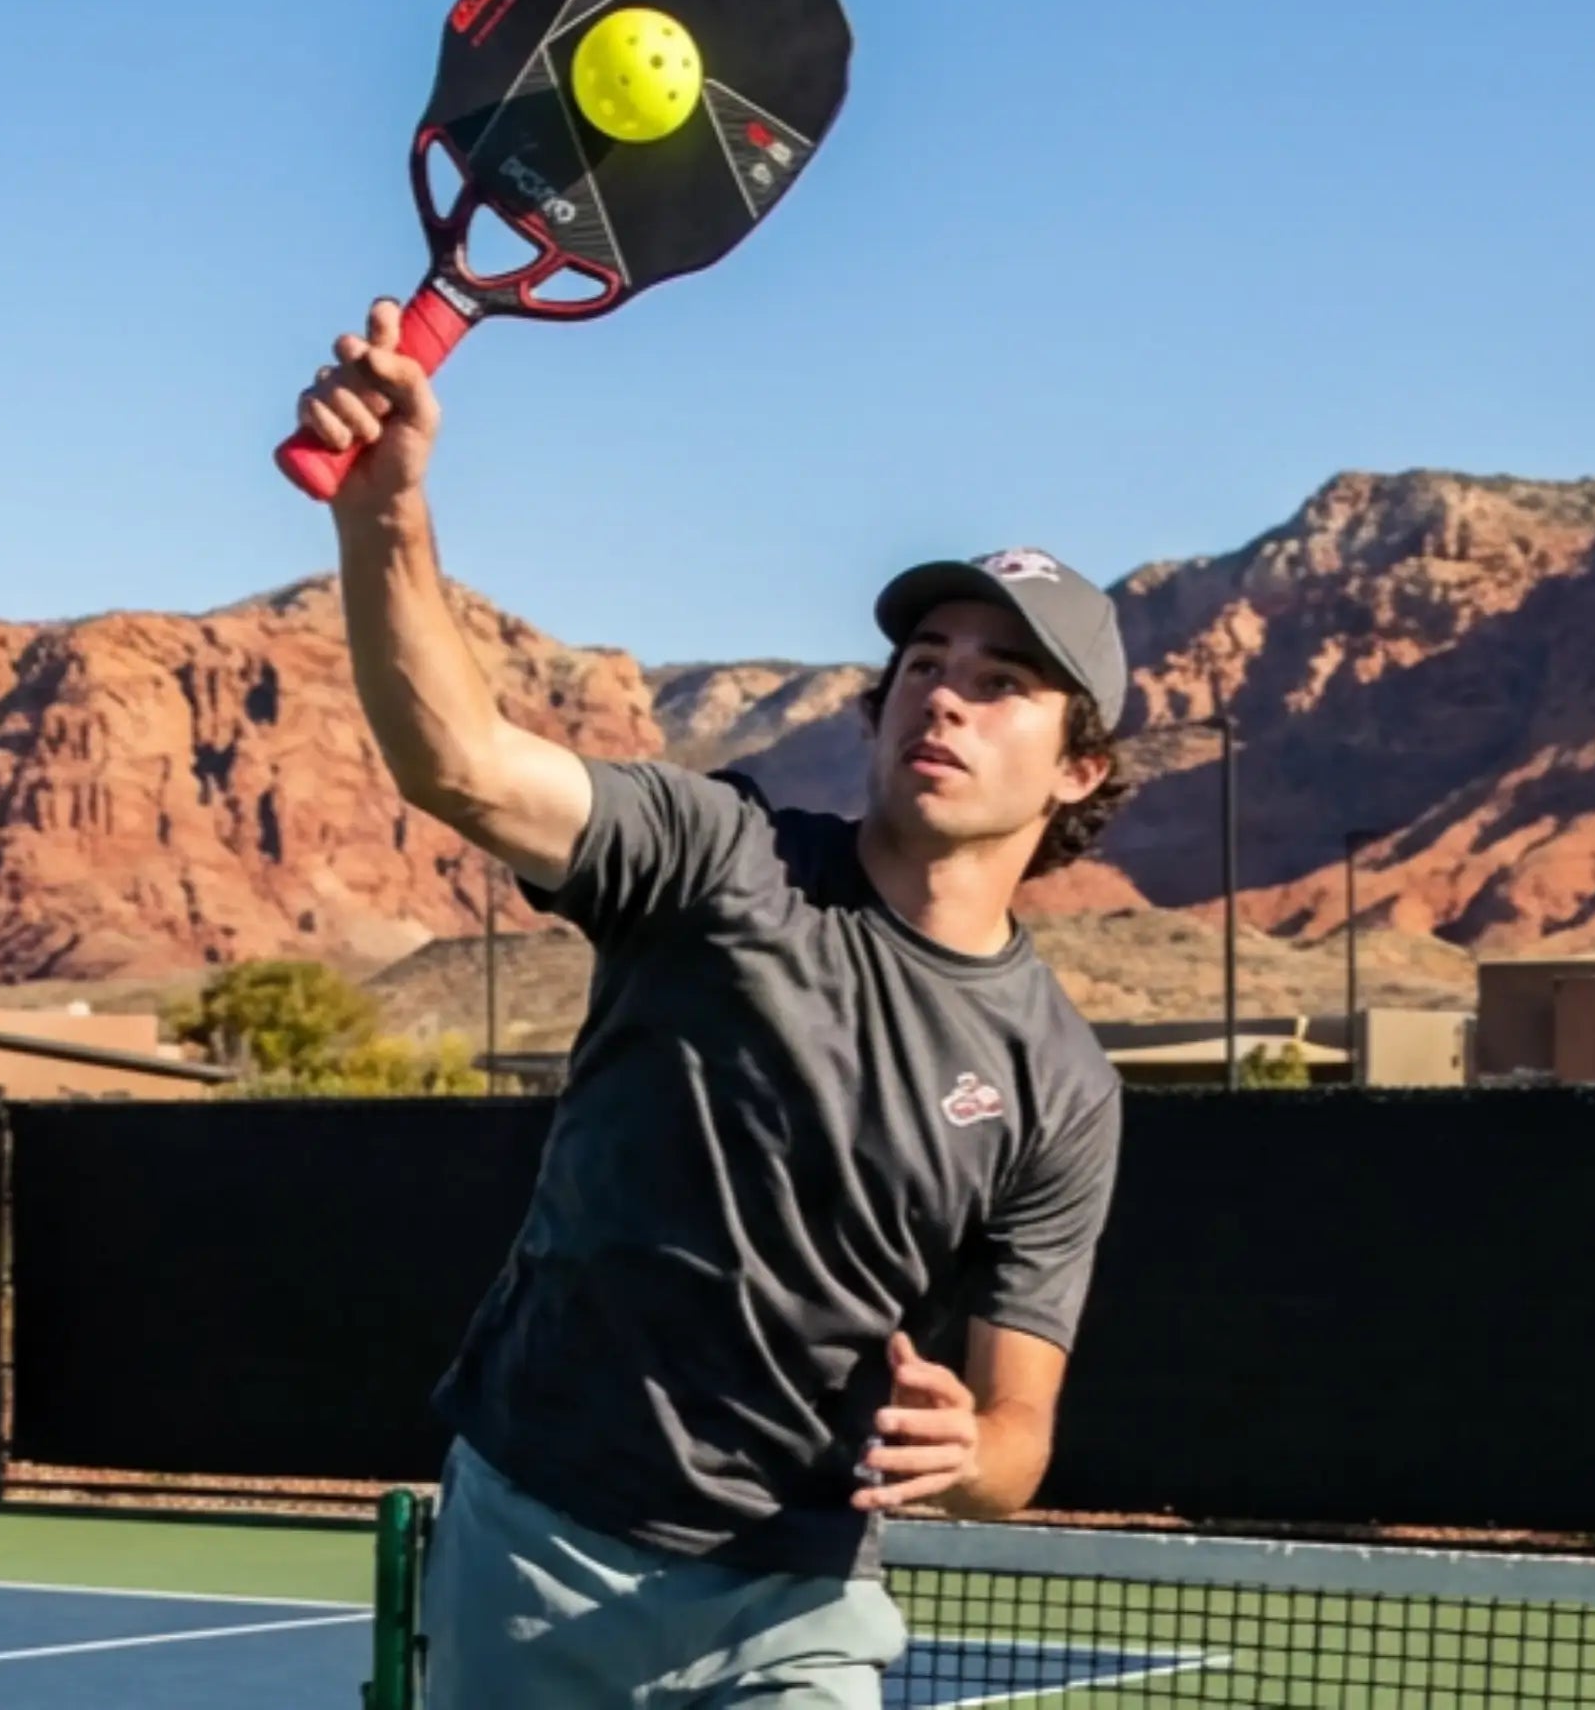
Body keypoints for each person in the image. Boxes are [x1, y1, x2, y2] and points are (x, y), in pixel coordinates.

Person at [298, 301, 1131, 1709]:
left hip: (797, 1590)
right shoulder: (720, 861)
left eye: (1002, 687)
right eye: (925, 666)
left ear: (1077, 775)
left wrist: (970, 1458)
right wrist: (388, 513)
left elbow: (1019, 1435)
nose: (946, 700)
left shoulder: (1061, 1086)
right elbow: (464, 764)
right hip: (537, 1541)